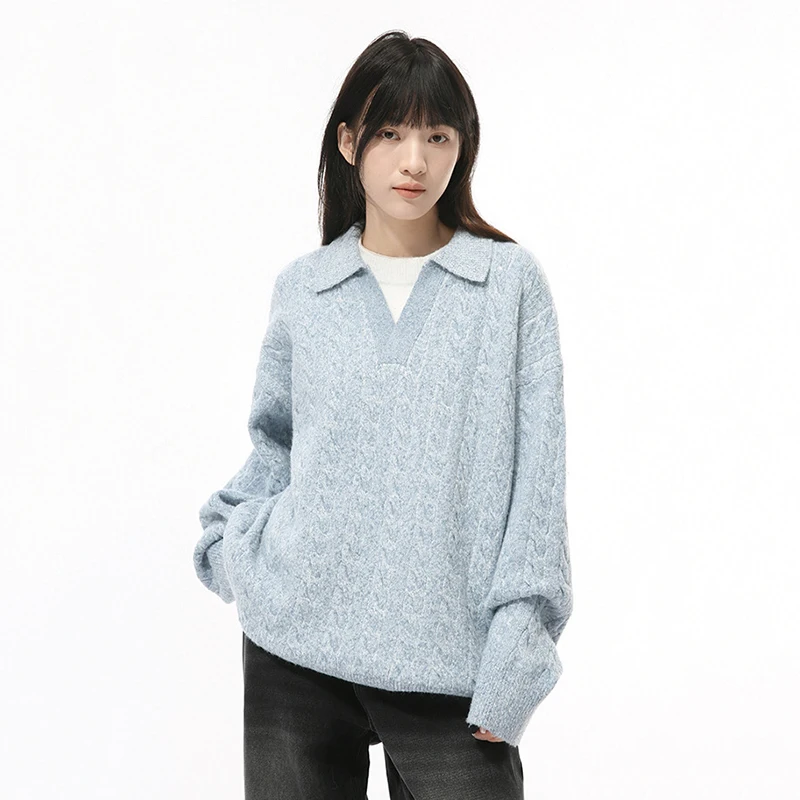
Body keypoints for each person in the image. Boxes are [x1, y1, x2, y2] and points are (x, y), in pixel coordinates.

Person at [193, 29, 573, 799]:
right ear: (347, 141)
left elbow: (538, 487)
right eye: (392, 133)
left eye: (437, 137)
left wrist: (517, 656)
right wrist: (229, 544)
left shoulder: (507, 285)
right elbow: (275, 444)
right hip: (295, 642)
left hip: (452, 662)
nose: (414, 161)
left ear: (463, 146)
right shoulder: (305, 288)